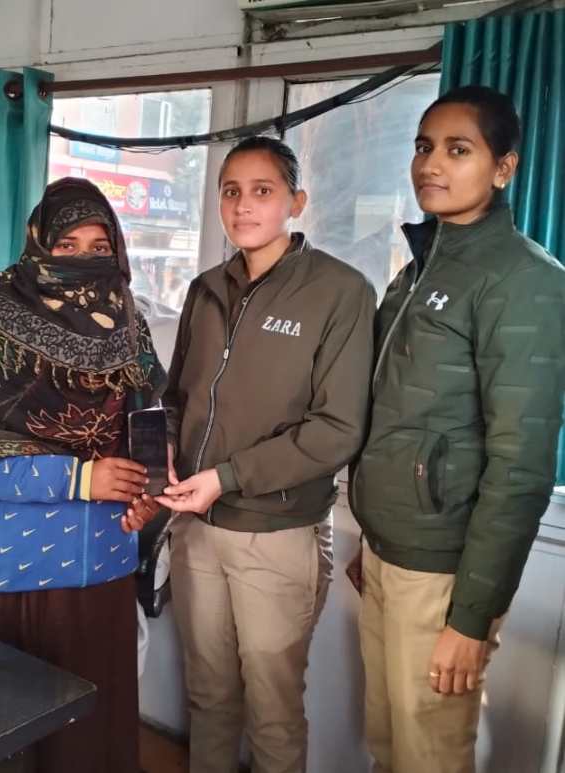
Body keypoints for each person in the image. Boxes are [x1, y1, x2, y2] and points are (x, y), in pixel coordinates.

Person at [348, 86, 565, 773]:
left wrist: (472, 617)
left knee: (430, 757)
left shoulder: (524, 280)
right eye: (423, 146)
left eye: (458, 149)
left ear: (503, 168)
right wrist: (375, 535)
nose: (431, 163)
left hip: (443, 573)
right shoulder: (418, 271)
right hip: (389, 554)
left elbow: (521, 466)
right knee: (388, 747)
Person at [0, 177, 166, 773]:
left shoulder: (128, 321)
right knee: (10, 738)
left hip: (103, 566)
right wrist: (80, 480)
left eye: (99, 246)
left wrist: (149, 490)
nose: (84, 259)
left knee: (89, 743)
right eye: (66, 245)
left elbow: (146, 429)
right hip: (15, 574)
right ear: (39, 246)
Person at [156, 136, 376, 773]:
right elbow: (177, 398)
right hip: (196, 527)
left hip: (276, 534)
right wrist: (164, 448)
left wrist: (227, 477)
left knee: (273, 712)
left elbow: (338, 429)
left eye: (262, 191)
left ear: (295, 202)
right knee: (208, 696)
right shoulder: (205, 290)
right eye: (231, 192)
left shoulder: (339, 291)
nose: (243, 206)